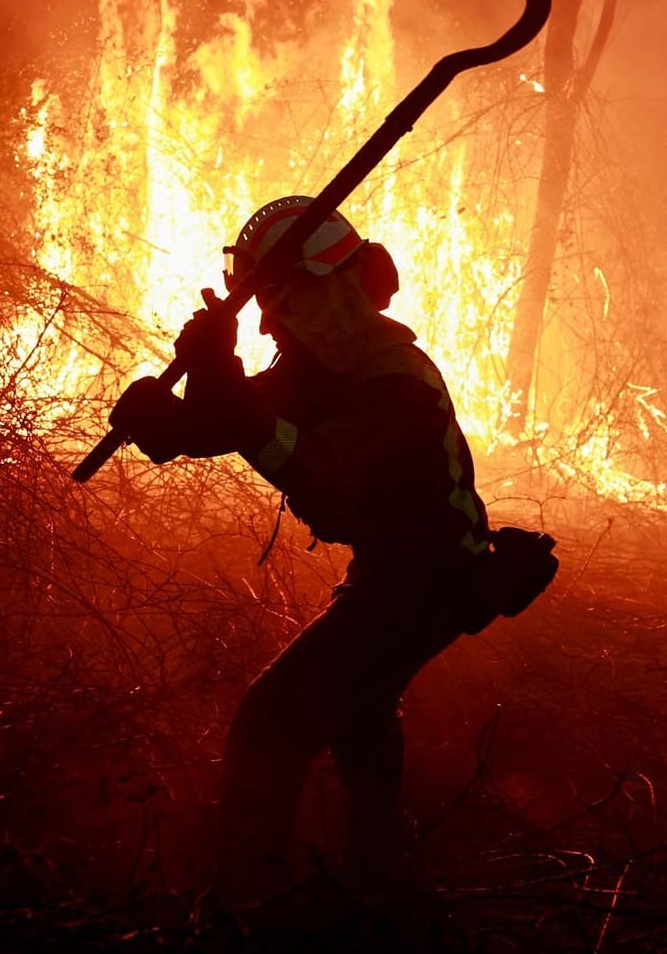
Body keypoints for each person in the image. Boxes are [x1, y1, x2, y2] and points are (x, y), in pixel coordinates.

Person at [109, 195, 541, 900]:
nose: (269, 320)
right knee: (359, 709)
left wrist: (222, 380)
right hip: (393, 572)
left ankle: (249, 909)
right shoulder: (325, 364)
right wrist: (164, 415)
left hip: (430, 580)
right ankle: (379, 886)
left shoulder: (391, 380)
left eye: (277, 299)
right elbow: (235, 418)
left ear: (328, 288)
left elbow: (320, 478)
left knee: (270, 723)